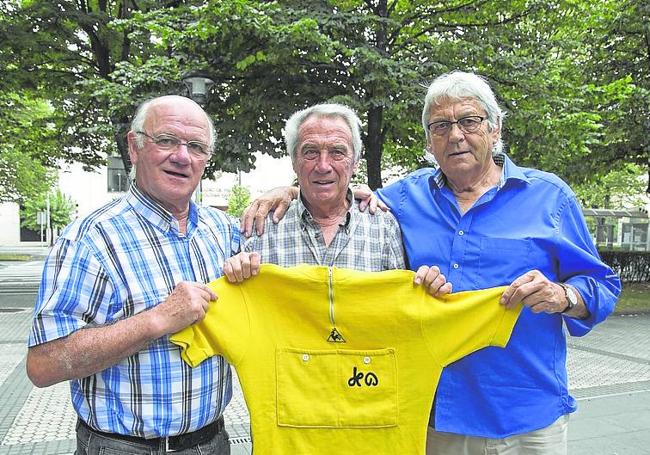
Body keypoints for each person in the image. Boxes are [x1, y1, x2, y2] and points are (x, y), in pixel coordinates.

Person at [240, 71, 621, 454]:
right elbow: (332, 187)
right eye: (441, 126)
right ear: (429, 140)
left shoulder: (549, 197)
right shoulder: (403, 199)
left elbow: (602, 285)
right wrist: (287, 190)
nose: (455, 135)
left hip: (528, 419)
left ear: (495, 128)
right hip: (436, 420)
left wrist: (564, 295)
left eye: (469, 121)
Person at [26, 95, 239, 454]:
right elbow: (43, 364)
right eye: (167, 140)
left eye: (196, 146)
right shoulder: (90, 239)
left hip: (211, 442)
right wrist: (157, 319)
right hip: (122, 447)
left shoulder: (223, 230)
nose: (182, 156)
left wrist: (343, 194)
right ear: (134, 146)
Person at [223, 102, 450, 296]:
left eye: (337, 152)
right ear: (294, 161)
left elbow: (399, 307)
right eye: (310, 152)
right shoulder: (260, 228)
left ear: (355, 162)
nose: (323, 166)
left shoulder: (383, 226)